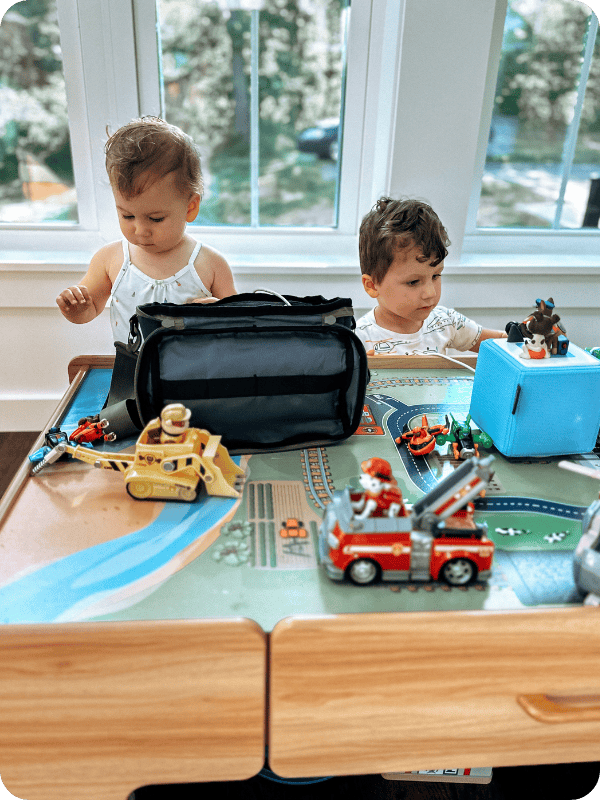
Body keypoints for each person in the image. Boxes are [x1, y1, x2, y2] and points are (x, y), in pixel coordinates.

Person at [56, 117, 237, 339]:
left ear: (190, 208)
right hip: (133, 370)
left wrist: (216, 315)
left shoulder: (211, 264)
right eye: (127, 215)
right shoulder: (110, 259)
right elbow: (89, 309)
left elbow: (236, 326)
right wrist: (77, 310)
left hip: (195, 370)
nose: (140, 230)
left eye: (156, 218)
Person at [355, 197, 507, 356]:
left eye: (436, 276)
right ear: (372, 286)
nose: (431, 293)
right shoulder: (358, 340)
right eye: (413, 282)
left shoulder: (446, 322)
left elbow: (503, 343)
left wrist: (527, 334)